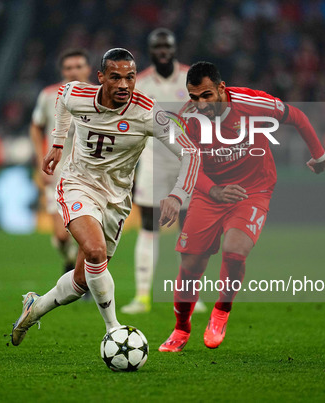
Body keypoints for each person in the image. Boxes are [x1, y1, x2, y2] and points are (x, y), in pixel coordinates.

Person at [11, 48, 200, 346]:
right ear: (100, 78)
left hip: (117, 198)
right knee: (96, 251)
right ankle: (114, 331)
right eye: (115, 77)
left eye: (130, 78)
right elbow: (62, 97)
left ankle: (35, 308)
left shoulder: (148, 113)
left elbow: (191, 151)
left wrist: (177, 194)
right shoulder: (79, 95)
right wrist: (58, 143)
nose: (124, 85)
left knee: (82, 280)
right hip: (78, 184)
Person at [159, 62, 325, 352]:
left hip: (253, 189)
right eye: (194, 96)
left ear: (221, 88)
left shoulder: (251, 102)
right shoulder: (186, 117)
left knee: (235, 250)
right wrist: (214, 190)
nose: (200, 103)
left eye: (207, 95)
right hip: (210, 192)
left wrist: (319, 155)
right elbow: (188, 163)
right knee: (190, 266)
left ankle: (221, 311)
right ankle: (181, 328)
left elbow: (296, 116)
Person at [121, 28, 205, 314]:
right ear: (150, 50)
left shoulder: (191, 79)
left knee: (191, 228)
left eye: (166, 46)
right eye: (157, 46)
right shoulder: (141, 83)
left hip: (186, 162)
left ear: (174, 48)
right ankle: (143, 295)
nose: (162, 51)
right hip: (153, 161)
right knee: (149, 225)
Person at [30, 49, 92, 273]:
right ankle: (69, 259)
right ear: (62, 71)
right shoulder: (48, 95)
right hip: (58, 174)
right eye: (68, 68)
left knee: (88, 233)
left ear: (88, 69)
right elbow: (36, 127)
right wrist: (40, 162)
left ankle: (82, 277)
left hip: (90, 175)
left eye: (78, 66)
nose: (74, 71)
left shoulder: (101, 95)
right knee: (61, 235)